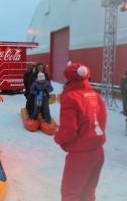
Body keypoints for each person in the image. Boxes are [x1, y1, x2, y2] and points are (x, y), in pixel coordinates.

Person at [54, 62, 107, 201]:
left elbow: (68, 131)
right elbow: (103, 120)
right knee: (88, 193)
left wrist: (57, 137)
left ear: (68, 78)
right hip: (98, 151)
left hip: (80, 155)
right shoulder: (95, 95)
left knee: (70, 193)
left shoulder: (70, 97)